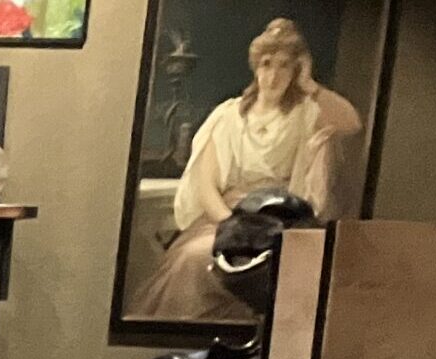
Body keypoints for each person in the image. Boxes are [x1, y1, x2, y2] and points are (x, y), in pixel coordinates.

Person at [131, 17, 360, 323]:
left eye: (284, 66)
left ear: (296, 70)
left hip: (280, 221)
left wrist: (310, 86)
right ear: (256, 67)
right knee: (194, 257)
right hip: (228, 217)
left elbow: (351, 123)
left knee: (275, 266)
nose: (274, 76)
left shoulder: (306, 114)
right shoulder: (228, 116)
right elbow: (206, 185)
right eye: (267, 64)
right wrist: (234, 226)